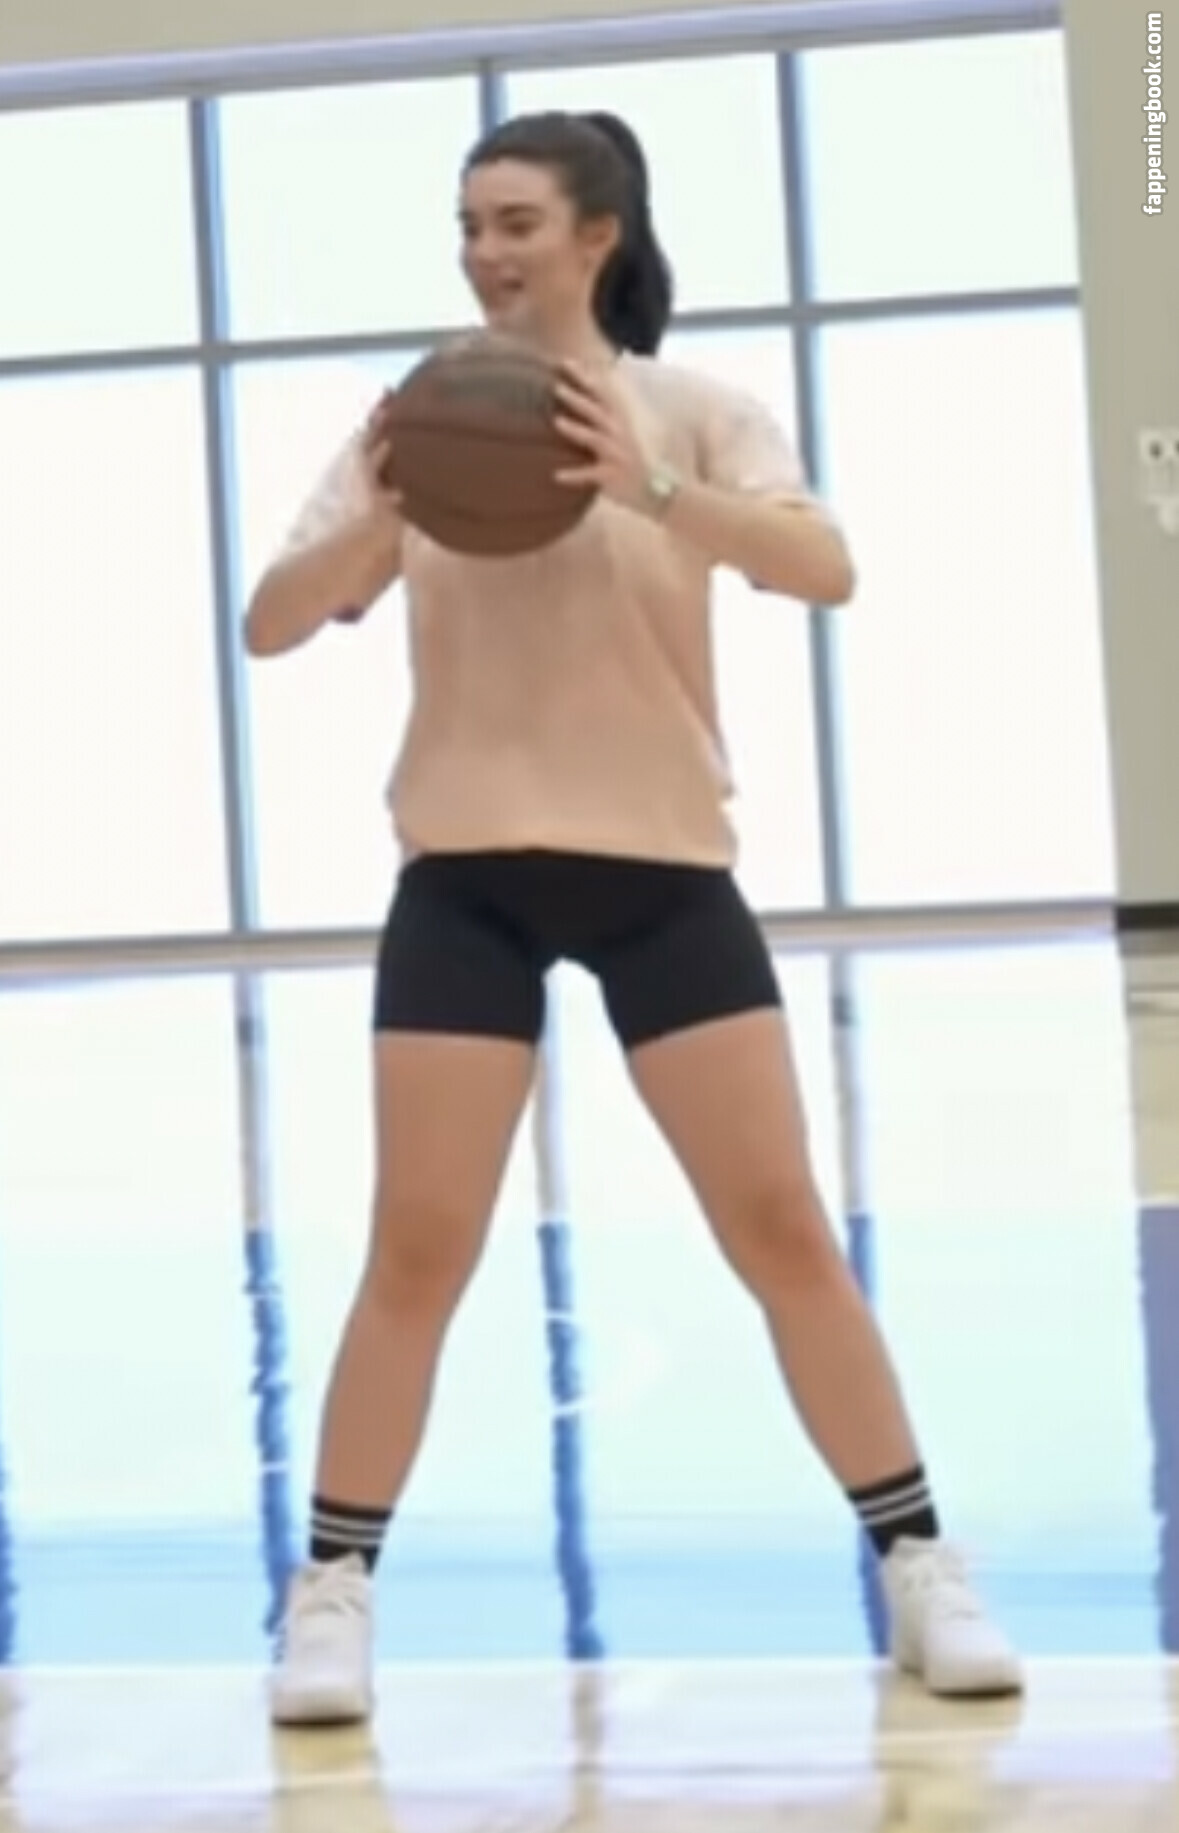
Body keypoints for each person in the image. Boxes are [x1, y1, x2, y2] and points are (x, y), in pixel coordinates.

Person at [245, 108, 1022, 1725]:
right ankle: (331, 1595)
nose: (484, 250)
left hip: (663, 874)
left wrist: (650, 488)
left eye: (516, 220)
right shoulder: (418, 422)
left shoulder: (694, 411)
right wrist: (384, 513)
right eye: (469, 222)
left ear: (598, 235)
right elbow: (271, 621)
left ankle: (919, 1564)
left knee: (783, 1228)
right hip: (464, 879)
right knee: (417, 1248)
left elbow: (824, 568)